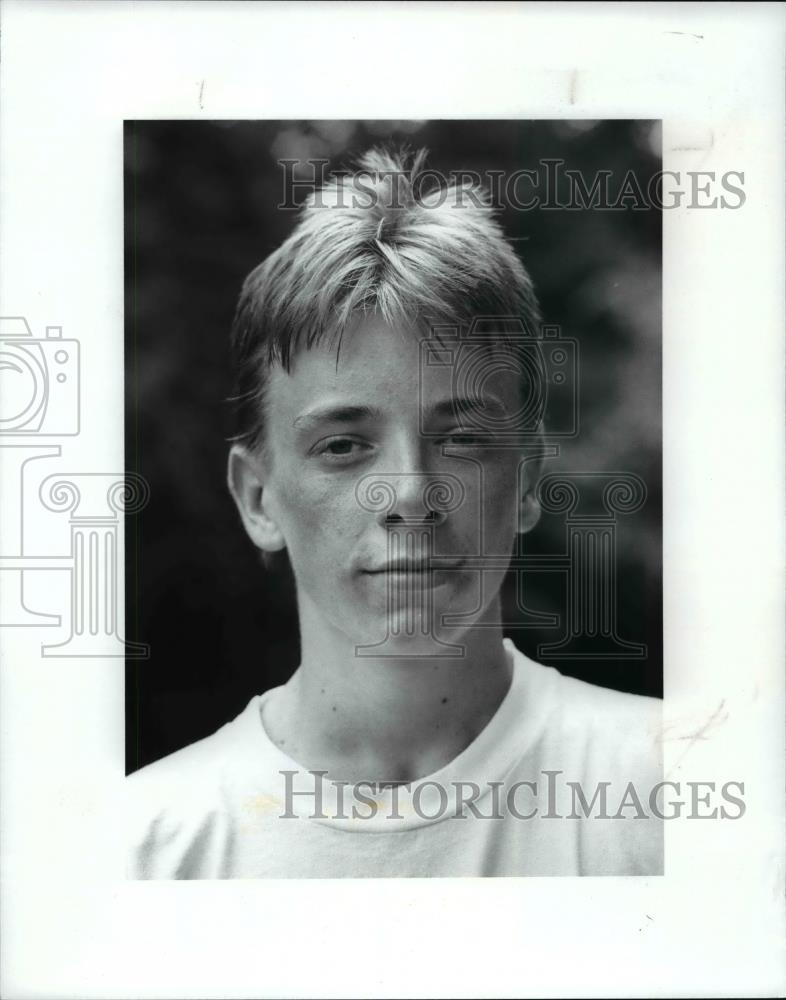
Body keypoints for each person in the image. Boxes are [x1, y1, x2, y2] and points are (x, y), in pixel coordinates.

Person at [127, 148, 663, 878]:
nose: (409, 492)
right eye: (344, 446)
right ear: (258, 498)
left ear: (529, 479)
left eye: (463, 438)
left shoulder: (668, 798)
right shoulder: (144, 849)